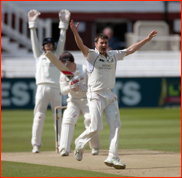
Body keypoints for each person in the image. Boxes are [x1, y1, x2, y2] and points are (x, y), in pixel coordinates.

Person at [70, 19, 157, 169]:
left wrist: (147, 39)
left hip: (109, 96)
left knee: (116, 126)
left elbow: (130, 50)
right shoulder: (91, 55)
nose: (103, 45)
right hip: (95, 95)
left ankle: (113, 157)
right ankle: (79, 143)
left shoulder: (113, 55)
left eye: (105, 42)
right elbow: (81, 45)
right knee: (96, 127)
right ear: (96, 44)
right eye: (100, 43)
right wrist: (75, 33)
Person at [28, 9, 70, 153]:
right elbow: (34, 42)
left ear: (53, 46)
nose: (48, 47)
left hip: (56, 88)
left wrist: (63, 25)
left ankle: (61, 144)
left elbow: (62, 41)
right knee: (39, 116)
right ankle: (36, 144)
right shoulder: (39, 57)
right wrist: (32, 25)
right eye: (46, 45)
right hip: (41, 88)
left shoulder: (57, 56)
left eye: (50, 45)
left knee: (57, 117)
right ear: (43, 47)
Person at [58, 51, 100, 156]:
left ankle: (95, 147)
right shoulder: (64, 73)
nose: (61, 65)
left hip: (87, 100)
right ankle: (64, 149)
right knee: (67, 119)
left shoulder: (84, 69)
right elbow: (63, 91)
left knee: (90, 120)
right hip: (73, 102)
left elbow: (94, 83)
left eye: (62, 62)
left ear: (67, 62)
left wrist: (86, 87)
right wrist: (70, 87)